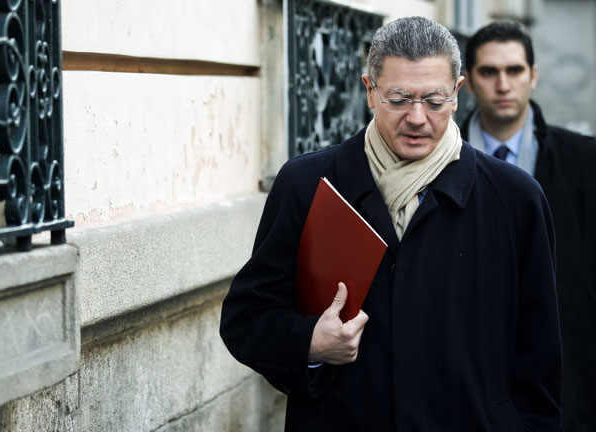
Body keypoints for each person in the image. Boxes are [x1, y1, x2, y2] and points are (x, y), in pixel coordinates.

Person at [220, 16, 562, 431]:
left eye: (434, 101)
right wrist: (310, 343)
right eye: (399, 99)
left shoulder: (516, 198)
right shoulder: (307, 184)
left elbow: (539, 362)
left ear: (457, 94)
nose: (417, 117)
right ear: (370, 91)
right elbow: (246, 319)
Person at [461, 21, 596, 431]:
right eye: (489, 71)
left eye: (514, 70)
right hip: (465, 373)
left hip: (564, 376)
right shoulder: (435, 162)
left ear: (533, 76)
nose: (503, 84)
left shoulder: (584, 160)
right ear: (468, 82)